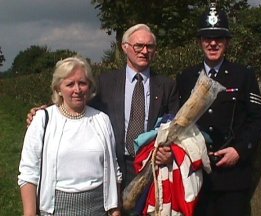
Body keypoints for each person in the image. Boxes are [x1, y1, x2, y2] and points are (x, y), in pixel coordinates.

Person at [26, 24, 179, 215]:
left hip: (151, 167)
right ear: (125, 47)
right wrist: (44, 111)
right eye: (138, 46)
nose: (144, 51)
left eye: (150, 47)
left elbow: (175, 126)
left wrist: (170, 151)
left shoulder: (167, 85)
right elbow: (75, 98)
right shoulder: (105, 82)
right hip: (116, 165)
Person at [177, 3, 261, 216]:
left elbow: (258, 118)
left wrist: (239, 150)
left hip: (232, 179)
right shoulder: (186, 78)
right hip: (196, 177)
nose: (213, 43)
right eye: (207, 38)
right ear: (200, 42)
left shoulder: (243, 75)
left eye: (219, 38)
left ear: (226, 42)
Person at [18, 56, 122, 216]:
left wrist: (115, 211)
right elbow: (28, 172)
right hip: (56, 209)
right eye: (70, 84)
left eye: (82, 83)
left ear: (89, 86)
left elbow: (113, 170)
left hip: (98, 209)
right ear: (58, 88)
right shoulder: (43, 119)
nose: (77, 90)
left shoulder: (102, 119)